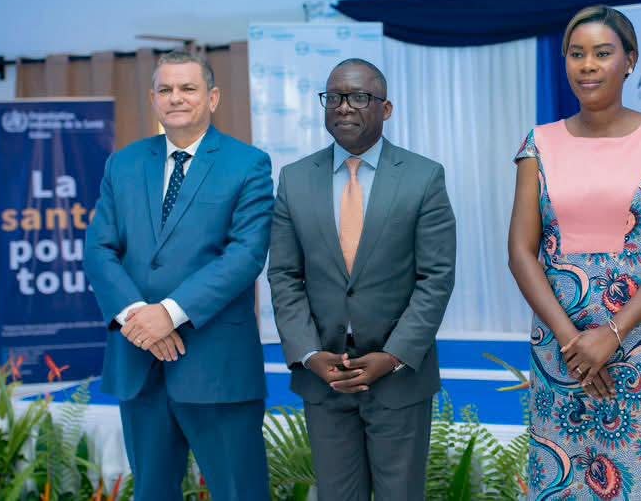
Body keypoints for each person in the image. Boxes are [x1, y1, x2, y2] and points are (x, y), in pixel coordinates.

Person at [508, 6, 641, 500]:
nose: (587, 65)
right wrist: (572, 342)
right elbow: (521, 252)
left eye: (602, 53)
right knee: (563, 484)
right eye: (576, 54)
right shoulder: (538, 144)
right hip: (560, 350)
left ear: (630, 60)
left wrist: (612, 335)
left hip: (640, 343)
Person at [85, 50, 273, 500]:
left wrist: (169, 313)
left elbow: (245, 254)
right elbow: (99, 249)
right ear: (153, 99)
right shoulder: (123, 164)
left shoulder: (248, 163)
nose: (176, 98)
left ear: (212, 97)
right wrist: (138, 317)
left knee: (240, 492)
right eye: (165, 89)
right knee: (152, 492)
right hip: (139, 360)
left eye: (188, 88)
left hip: (216, 363)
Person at [267, 58, 456, 501]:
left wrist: (393, 356)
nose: (344, 107)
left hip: (398, 376)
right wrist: (309, 353)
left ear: (385, 109)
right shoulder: (295, 179)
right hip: (325, 376)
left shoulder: (423, 177)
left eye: (358, 97)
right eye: (334, 97)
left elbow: (436, 278)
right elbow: (284, 275)